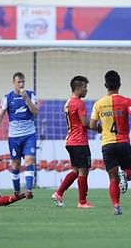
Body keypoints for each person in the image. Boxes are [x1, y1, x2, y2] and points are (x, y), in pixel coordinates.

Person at [89, 70, 131, 215]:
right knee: (129, 174)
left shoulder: (99, 104)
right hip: (123, 143)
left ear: (105, 85)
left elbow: (91, 125)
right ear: (119, 84)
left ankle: (116, 205)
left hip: (107, 144)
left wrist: (101, 129)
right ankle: (125, 175)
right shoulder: (127, 101)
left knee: (112, 178)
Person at [0, 72, 39, 199]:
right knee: (15, 164)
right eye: (19, 82)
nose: (21, 84)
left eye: (23, 82)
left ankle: (29, 191)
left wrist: (26, 99)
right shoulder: (7, 98)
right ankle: (16, 191)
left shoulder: (31, 95)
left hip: (29, 135)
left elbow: (35, 112)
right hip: (14, 137)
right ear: (14, 83)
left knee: (29, 160)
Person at [51, 76, 94, 208]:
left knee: (75, 170)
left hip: (71, 141)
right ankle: (82, 202)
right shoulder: (79, 103)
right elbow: (85, 123)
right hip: (79, 142)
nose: (86, 90)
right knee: (83, 171)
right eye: (85, 88)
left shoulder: (68, 102)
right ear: (78, 88)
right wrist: (98, 126)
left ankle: (59, 193)